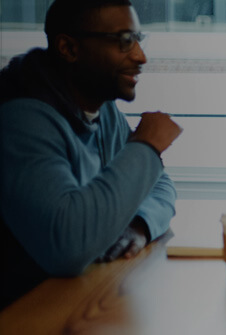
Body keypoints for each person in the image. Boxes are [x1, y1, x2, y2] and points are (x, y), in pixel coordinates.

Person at [0, 0, 182, 308]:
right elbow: (67, 248)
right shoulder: (20, 119)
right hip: (22, 312)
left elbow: (160, 185)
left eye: (138, 39)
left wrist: (137, 226)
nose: (140, 56)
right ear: (69, 48)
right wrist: (147, 146)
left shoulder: (102, 108)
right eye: (124, 41)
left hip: (71, 298)